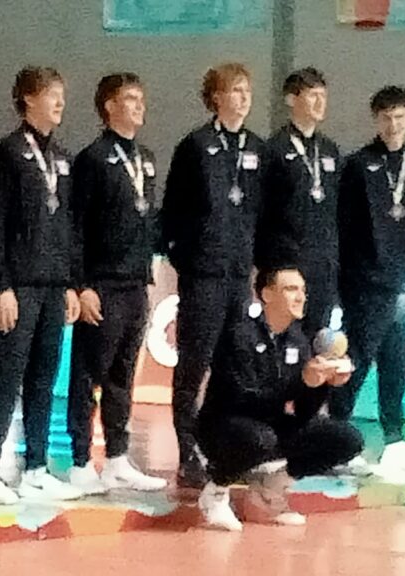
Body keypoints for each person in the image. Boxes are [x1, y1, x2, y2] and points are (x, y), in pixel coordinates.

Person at [0, 67, 82, 503]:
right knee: (8, 375)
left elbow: (69, 225)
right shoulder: (8, 153)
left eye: (61, 94)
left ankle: (36, 465)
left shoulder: (62, 157)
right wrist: (1, 286)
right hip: (19, 285)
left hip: (54, 285)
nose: (60, 103)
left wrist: (72, 282)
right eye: (51, 95)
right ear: (28, 99)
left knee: (44, 377)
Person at [161, 63, 265, 488]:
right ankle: (187, 451)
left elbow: (260, 211)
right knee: (193, 365)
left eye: (247, 90)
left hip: (239, 277)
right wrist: (191, 261)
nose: (243, 97)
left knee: (234, 367)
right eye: (234, 90)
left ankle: (224, 448)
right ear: (216, 97)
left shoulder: (257, 148)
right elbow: (173, 211)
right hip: (204, 276)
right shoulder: (195, 145)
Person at [197, 267, 362, 531]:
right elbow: (242, 398)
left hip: (269, 424)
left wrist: (322, 384)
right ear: (267, 294)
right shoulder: (240, 334)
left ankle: (270, 488)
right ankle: (216, 490)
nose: (301, 297)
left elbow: (303, 412)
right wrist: (299, 382)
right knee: (261, 438)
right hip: (223, 425)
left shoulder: (297, 339)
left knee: (346, 438)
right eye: (291, 289)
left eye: (303, 290)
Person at [67, 73, 166, 494]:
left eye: (141, 98)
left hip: (135, 283)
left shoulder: (146, 158)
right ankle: (79, 460)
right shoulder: (93, 159)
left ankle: (117, 457)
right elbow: (76, 227)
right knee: (89, 374)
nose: (139, 105)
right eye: (130, 99)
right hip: (102, 283)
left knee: (122, 376)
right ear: (109, 106)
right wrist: (83, 284)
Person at [331, 86, 405, 472]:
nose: (393, 124)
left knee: (398, 362)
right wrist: (344, 283)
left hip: (402, 282)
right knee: (356, 360)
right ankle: (336, 436)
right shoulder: (358, 165)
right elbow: (342, 226)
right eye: (386, 117)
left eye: (399, 116)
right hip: (366, 283)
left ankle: (395, 438)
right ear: (376, 120)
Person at [255, 67, 342, 341]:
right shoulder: (274, 150)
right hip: (287, 264)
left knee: (318, 340)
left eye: (323, 96)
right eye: (312, 95)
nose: (320, 102)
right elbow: (260, 210)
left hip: (323, 265)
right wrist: (267, 263)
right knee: (286, 339)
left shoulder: (329, 150)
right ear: (291, 99)